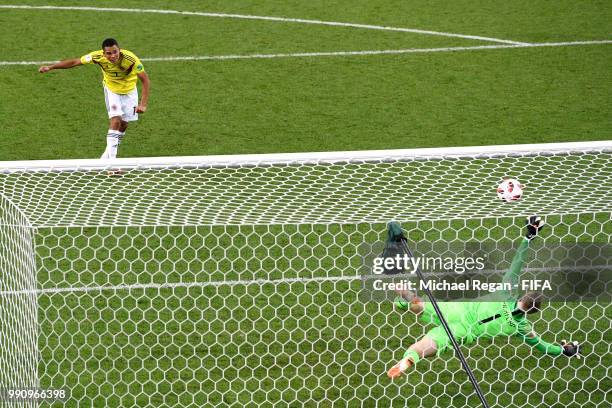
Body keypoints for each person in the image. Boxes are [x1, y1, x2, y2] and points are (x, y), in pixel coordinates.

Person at [387, 216, 582, 379]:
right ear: (533, 313)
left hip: (459, 310)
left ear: (523, 295)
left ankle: (404, 296)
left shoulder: (507, 293)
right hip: (463, 330)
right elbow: (541, 345)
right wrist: (562, 350)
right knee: (433, 343)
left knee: (421, 304)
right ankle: (408, 360)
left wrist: (529, 237)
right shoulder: (522, 328)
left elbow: (517, 263)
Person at [39, 38, 150, 160]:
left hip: (130, 92)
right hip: (112, 90)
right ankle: (112, 164)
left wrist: (143, 104)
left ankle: (105, 157)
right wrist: (51, 67)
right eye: (108, 53)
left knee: (123, 124)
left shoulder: (131, 59)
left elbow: (145, 80)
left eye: (115, 52)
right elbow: (75, 62)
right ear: (103, 53)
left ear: (119, 49)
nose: (113, 56)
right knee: (116, 121)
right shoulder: (96, 56)